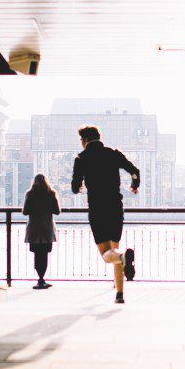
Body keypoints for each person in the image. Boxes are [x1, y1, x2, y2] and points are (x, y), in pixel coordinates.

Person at [71, 125, 138, 303]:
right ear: (99, 137)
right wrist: (135, 185)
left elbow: (74, 187)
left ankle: (124, 258)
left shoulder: (81, 158)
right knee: (115, 248)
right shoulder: (113, 153)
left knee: (108, 255)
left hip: (98, 210)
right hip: (115, 207)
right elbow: (134, 171)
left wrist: (79, 185)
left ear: (84, 140)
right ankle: (120, 294)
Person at [22, 173, 61, 289]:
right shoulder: (51, 193)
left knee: (37, 254)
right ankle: (42, 279)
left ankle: (40, 279)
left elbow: (25, 212)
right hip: (46, 229)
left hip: (34, 229)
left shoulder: (30, 194)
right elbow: (57, 211)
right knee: (44, 254)